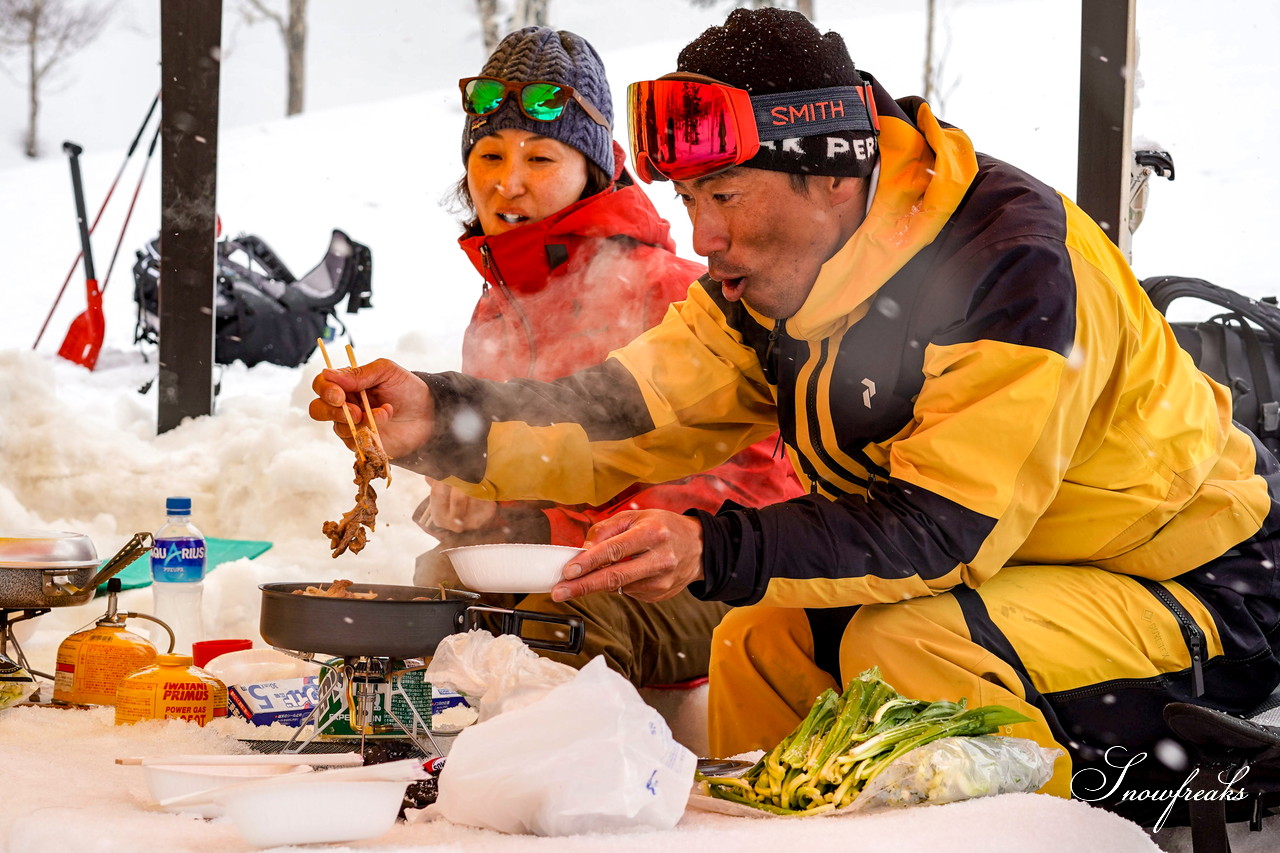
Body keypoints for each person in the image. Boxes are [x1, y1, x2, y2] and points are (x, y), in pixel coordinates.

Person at [313, 8, 1280, 823]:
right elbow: (625, 410)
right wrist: (439, 417)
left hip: (1191, 588)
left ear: (831, 175)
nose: (705, 233)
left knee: (905, 643)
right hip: (1022, 569)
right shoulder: (766, 282)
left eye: (725, 192)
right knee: (758, 637)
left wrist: (711, 547)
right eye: (691, 197)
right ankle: (773, 835)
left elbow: (945, 526)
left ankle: (1039, 835)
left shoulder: (1007, 261)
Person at [414, 26, 802, 688]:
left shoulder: (669, 288)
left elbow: (743, 477)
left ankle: (546, 783)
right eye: (489, 157)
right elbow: (533, 460)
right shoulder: (497, 309)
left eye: (539, 159)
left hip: (717, 572)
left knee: (555, 620)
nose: (508, 184)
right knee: (435, 590)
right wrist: (478, 501)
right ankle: (425, 759)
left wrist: (571, 523)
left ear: (590, 168)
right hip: (583, 560)